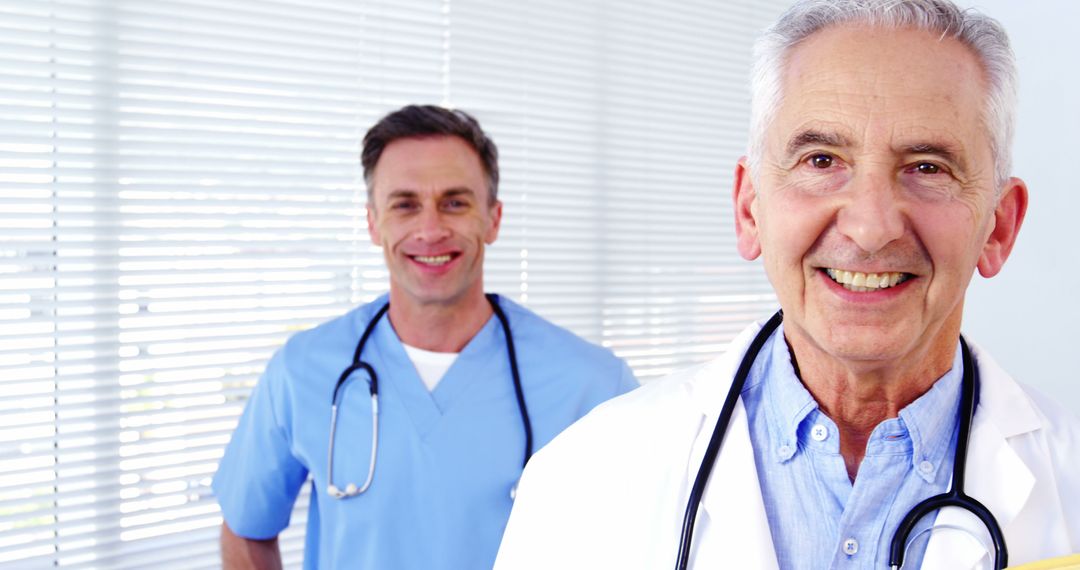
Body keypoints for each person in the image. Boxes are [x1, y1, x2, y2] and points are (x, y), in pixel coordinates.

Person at [494, 1, 1080, 569]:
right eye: (821, 160)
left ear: (998, 227)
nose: (871, 228)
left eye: (927, 167)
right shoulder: (581, 480)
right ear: (750, 210)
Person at [213, 104, 638, 569]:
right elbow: (246, 531)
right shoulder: (302, 371)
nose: (431, 229)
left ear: (493, 219)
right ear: (374, 222)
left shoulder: (592, 384)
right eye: (405, 204)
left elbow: (644, 541)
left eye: (455, 202)